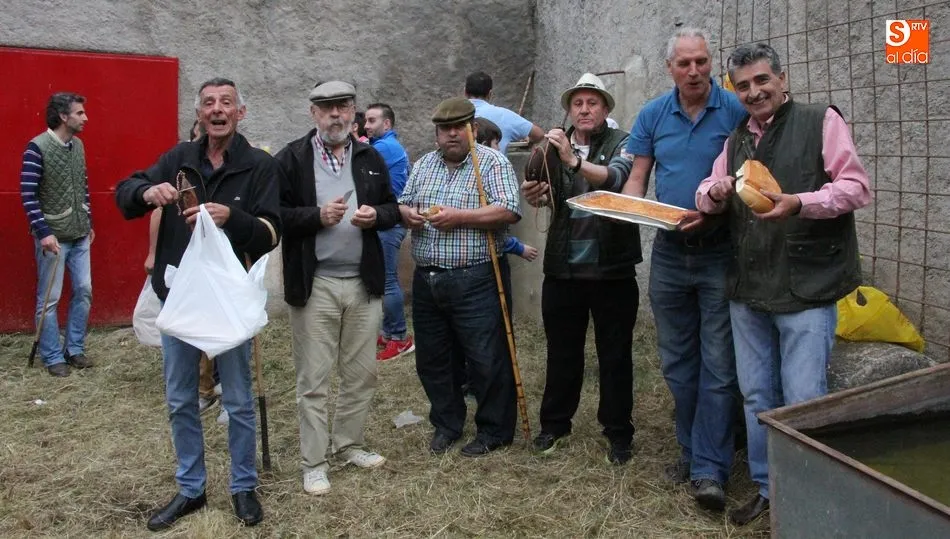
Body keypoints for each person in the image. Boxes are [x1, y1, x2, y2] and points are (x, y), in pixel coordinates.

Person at [695, 42, 871, 525]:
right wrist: (715, 192)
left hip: (807, 286)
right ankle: (768, 489)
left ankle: (808, 498)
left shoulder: (820, 121)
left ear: (782, 78)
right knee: (757, 397)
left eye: (762, 80)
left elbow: (856, 187)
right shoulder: (737, 138)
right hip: (749, 287)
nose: (754, 92)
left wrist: (800, 202)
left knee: (804, 397)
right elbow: (705, 192)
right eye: (743, 86)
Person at [115, 77, 282, 531]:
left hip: (227, 303)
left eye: (226, 102)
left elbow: (271, 231)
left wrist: (235, 218)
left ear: (240, 113)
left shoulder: (258, 166)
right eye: (209, 103)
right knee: (180, 400)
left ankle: (243, 487)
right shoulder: (179, 159)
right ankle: (191, 489)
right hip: (182, 300)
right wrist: (146, 192)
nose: (217, 109)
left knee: (239, 401)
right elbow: (126, 191)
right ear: (199, 114)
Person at [619, 28, 748, 511]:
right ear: (669, 68)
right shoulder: (653, 113)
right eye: (684, 63)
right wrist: (623, 208)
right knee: (677, 363)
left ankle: (709, 468)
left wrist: (715, 213)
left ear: (711, 62)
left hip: (720, 252)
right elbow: (637, 176)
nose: (694, 71)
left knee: (718, 365)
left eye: (702, 62)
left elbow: (749, 176)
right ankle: (693, 449)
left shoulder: (734, 109)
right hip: (670, 254)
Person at [274, 80, 399, 495]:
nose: (335, 115)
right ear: (313, 113)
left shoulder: (369, 156)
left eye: (342, 106)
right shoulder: (291, 158)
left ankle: (349, 444)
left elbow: (391, 207)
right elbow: (274, 215)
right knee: (314, 379)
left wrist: (375, 216)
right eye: (326, 107)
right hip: (316, 284)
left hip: (363, 282)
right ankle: (313, 463)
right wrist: (316, 216)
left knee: (361, 373)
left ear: (353, 111)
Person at [520, 73, 641, 465]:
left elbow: (617, 179)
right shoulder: (554, 144)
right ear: (569, 109)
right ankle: (555, 425)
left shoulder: (623, 142)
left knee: (615, 356)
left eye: (592, 103)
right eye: (577, 103)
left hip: (612, 269)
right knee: (562, 353)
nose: (584, 110)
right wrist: (536, 194)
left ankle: (618, 433)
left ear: (605, 108)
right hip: (564, 269)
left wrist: (574, 160)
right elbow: (544, 192)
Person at [397, 97, 522, 457]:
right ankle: (447, 423)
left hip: (477, 277)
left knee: (486, 357)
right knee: (434, 359)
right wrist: (409, 214)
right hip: (428, 279)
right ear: (436, 133)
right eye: (444, 129)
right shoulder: (424, 164)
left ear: (473, 128)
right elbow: (405, 202)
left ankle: (494, 430)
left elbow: (508, 210)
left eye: (459, 127)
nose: (451, 134)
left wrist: (459, 217)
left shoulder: (492, 162)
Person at [144, 120, 227, 423]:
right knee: (190, 338)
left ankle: (225, 394)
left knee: (221, 337)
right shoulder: (178, 166)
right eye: (199, 136)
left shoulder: (238, 165)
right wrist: (153, 253)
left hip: (220, 273)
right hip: (183, 272)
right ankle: (202, 391)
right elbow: (155, 209)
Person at [20, 92, 94, 377]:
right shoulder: (36, 148)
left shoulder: (79, 145)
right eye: (79, 113)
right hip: (53, 238)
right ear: (64, 116)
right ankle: (52, 356)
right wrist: (44, 233)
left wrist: (88, 220)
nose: (85, 118)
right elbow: (28, 195)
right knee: (49, 298)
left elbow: (82, 186)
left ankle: (74, 349)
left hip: (79, 234)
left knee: (84, 290)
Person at [364, 103, 415, 361]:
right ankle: (389, 332)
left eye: (372, 120)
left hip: (389, 222)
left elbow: (354, 159)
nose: (366, 125)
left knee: (388, 280)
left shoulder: (383, 148)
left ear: (387, 124)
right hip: (390, 220)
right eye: (366, 120)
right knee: (385, 278)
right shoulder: (390, 146)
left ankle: (399, 338)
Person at [465, 71, 545, 153]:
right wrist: (529, 142)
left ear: (465, 92)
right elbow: (539, 134)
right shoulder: (504, 115)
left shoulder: (458, 114)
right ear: (490, 94)